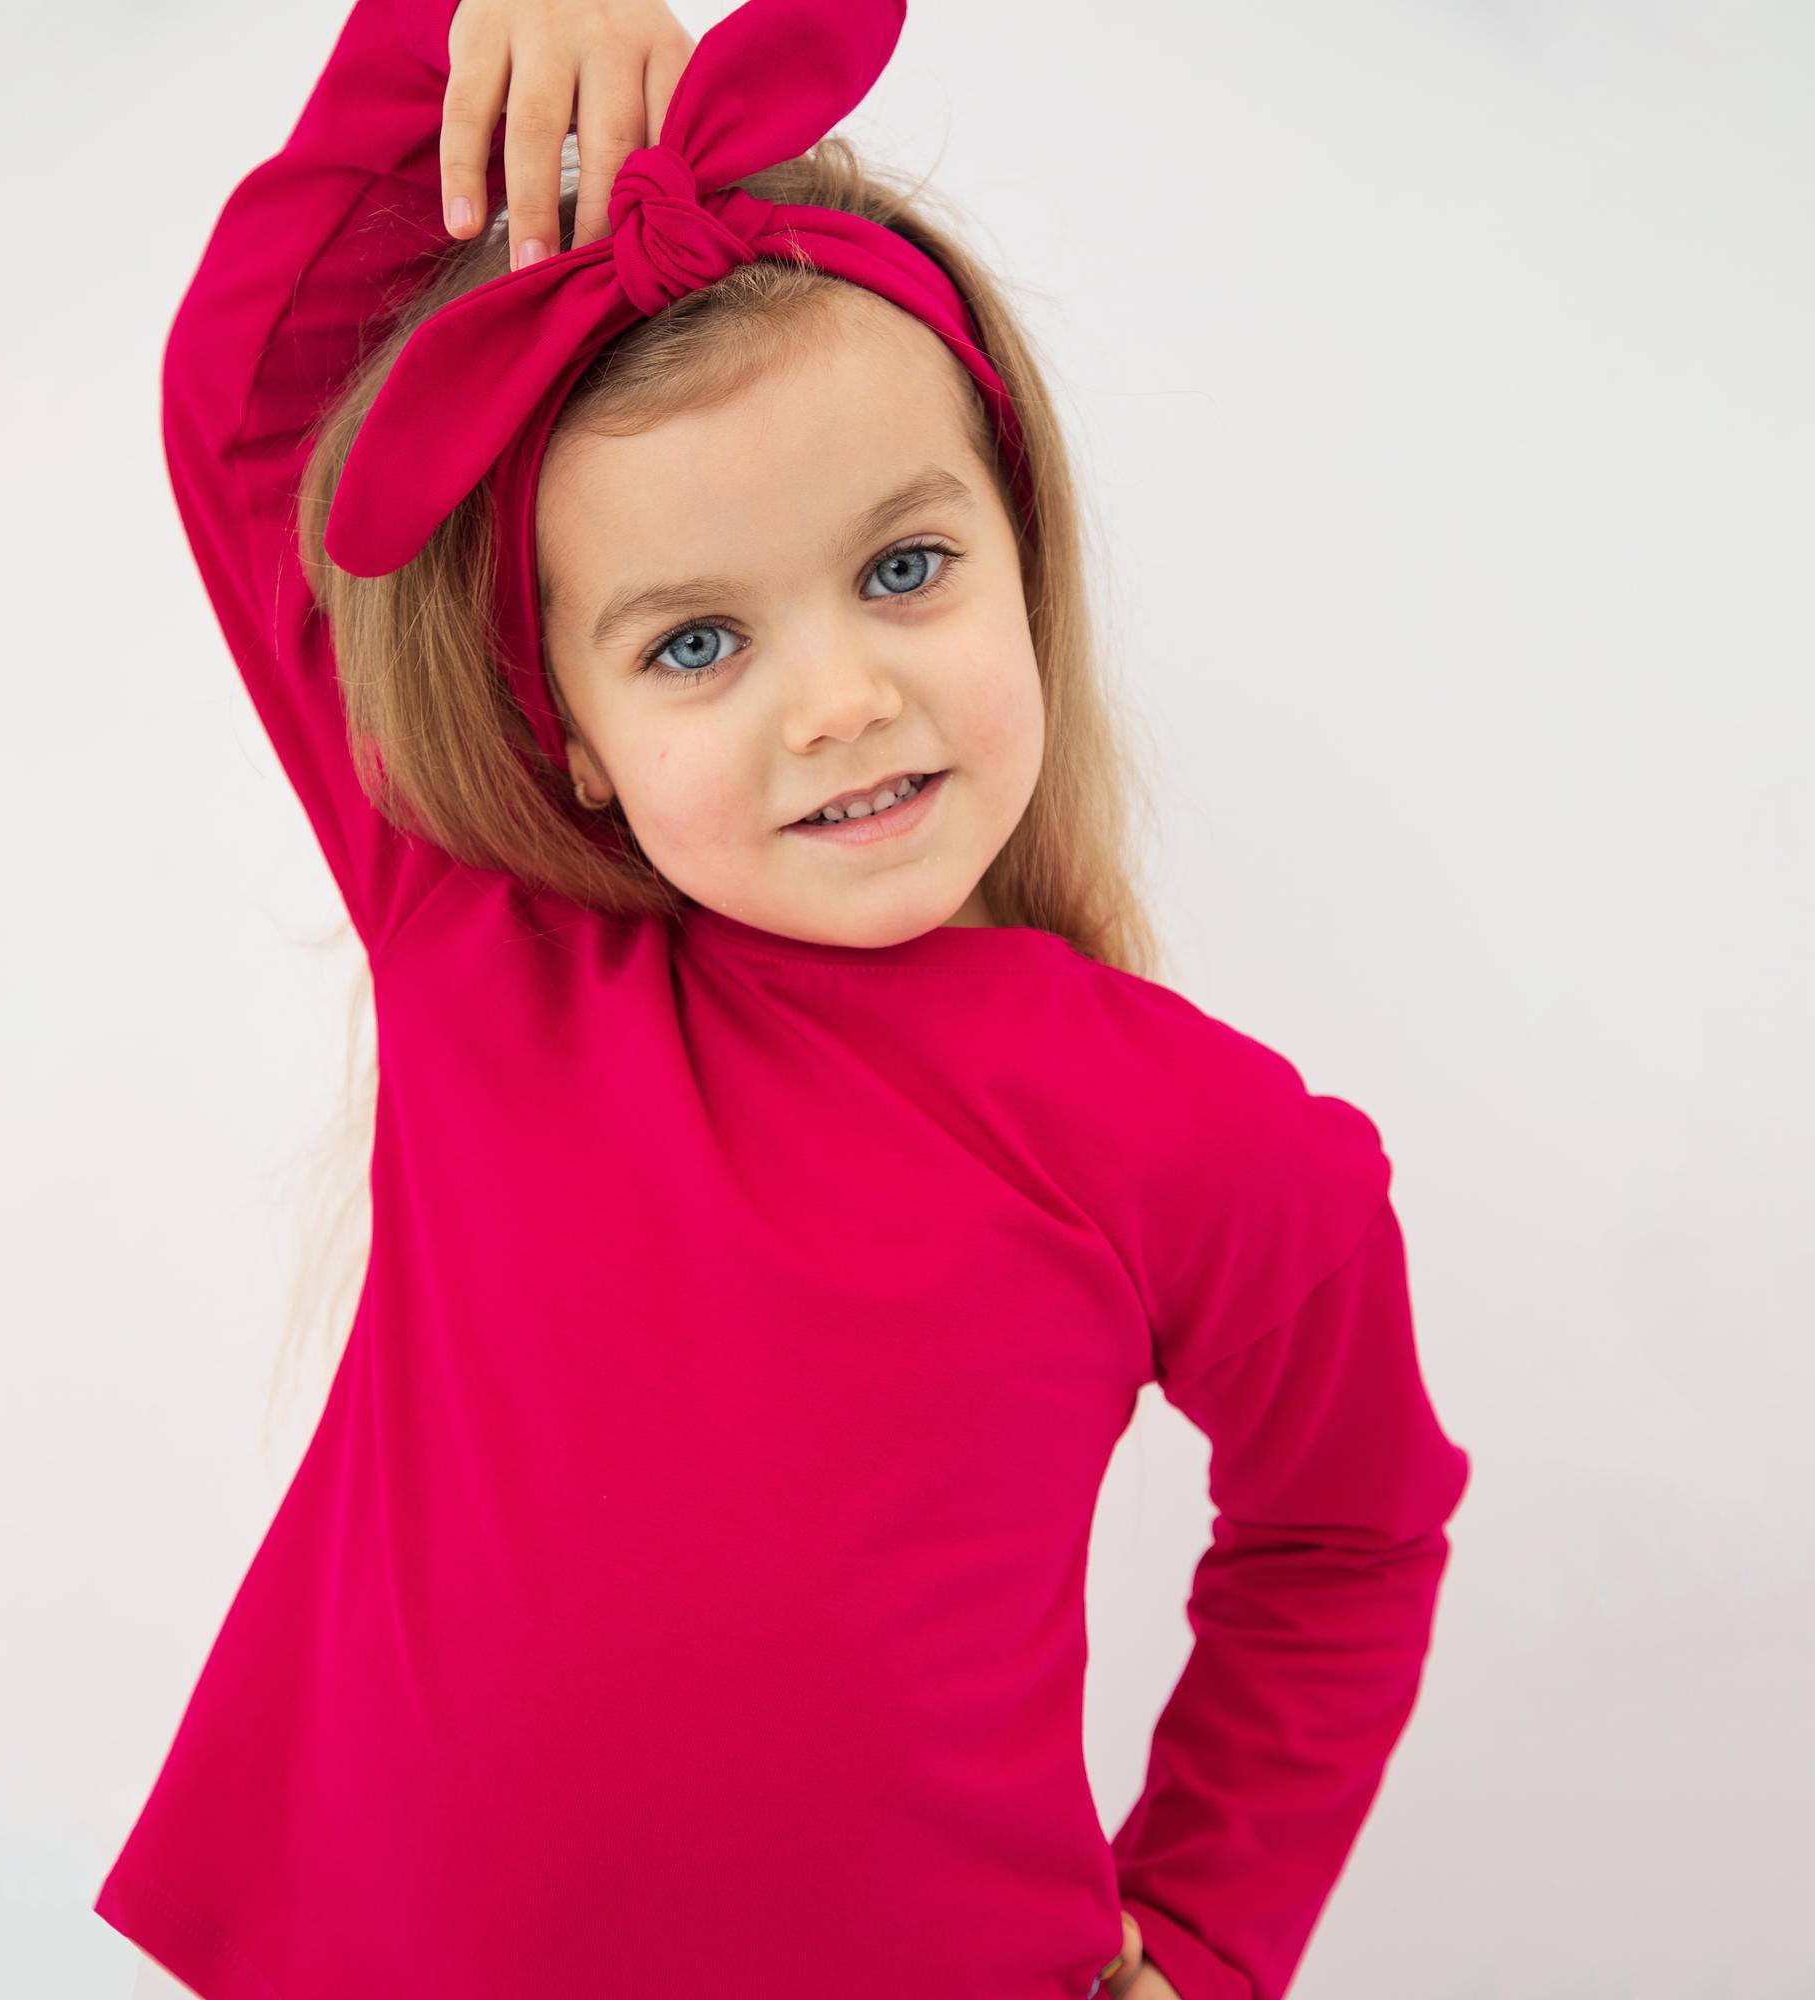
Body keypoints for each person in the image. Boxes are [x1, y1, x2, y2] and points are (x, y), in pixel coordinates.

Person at [98, 0, 1472, 1994]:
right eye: (695, 643)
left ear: (1022, 557)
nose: (838, 700)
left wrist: (1200, 1932)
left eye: (903, 569)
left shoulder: (1214, 1143)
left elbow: (1347, 1537)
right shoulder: (482, 941)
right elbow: (251, 412)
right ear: (565, 734)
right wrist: (463, 36)